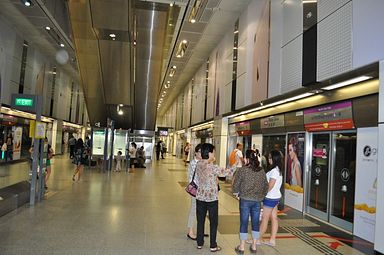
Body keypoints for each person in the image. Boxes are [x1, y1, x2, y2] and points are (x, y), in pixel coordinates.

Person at [232, 150, 268, 254]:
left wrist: (236, 192)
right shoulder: (261, 171)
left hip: (245, 200)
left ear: (246, 159)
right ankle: (254, 246)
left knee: (244, 223)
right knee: (255, 223)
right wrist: (261, 196)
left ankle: (242, 247)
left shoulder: (243, 170)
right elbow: (266, 186)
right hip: (257, 201)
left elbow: (236, 186)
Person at [195, 143, 229, 252]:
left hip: (200, 197)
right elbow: (227, 173)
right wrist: (236, 164)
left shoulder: (199, 164)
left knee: (200, 221)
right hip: (211, 199)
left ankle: (199, 243)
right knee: (213, 223)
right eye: (213, 152)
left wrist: (211, 160)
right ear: (209, 153)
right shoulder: (213, 167)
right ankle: (213, 245)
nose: (214, 154)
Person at [258, 150, 283, 247]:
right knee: (274, 218)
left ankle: (257, 239)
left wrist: (261, 194)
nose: (268, 159)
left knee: (265, 218)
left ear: (275, 158)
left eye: (270, 157)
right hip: (275, 197)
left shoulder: (274, 171)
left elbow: (270, 186)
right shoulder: (278, 170)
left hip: (270, 198)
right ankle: (272, 240)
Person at [186, 144, 202, 240]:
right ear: (196, 153)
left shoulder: (199, 162)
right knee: (194, 209)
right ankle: (190, 231)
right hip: (196, 189)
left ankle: (198, 230)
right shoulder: (195, 163)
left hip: (200, 189)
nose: (201, 154)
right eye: (199, 152)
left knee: (199, 210)